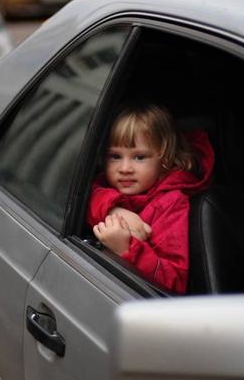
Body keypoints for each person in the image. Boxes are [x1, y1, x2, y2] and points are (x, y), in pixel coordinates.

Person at [87, 104, 214, 294]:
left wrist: (126, 248)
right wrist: (114, 210)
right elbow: (87, 196)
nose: (125, 168)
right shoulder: (105, 183)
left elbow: (174, 282)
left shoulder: (172, 204)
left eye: (139, 157)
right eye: (115, 156)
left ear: (164, 159)